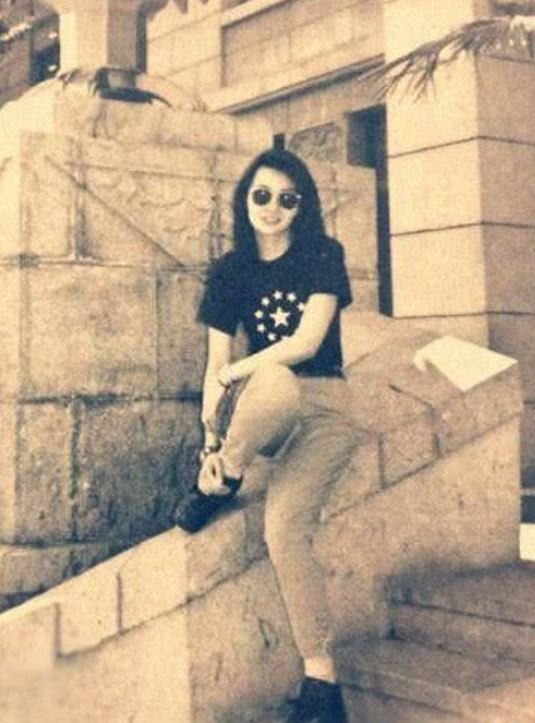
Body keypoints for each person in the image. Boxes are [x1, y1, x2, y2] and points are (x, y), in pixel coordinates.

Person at [174, 148, 357, 723]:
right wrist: (211, 445)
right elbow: (214, 366)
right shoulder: (231, 270)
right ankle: (221, 476)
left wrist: (237, 372)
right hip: (266, 408)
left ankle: (322, 684)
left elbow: (307, 342)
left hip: (325, 409)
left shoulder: (323, 254)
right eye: (261, 195)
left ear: (302, 206)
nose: (273, 208)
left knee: (283, 530)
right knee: (273, 383)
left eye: (287, 198)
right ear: (245, 200)